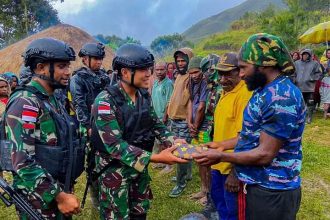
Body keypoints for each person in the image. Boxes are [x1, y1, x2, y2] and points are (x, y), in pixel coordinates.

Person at [194, 33, 304, 220]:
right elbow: (250, 135)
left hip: (272, 191)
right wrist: (221, 145)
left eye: (244, 68)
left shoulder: (281, 97)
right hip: (257, 185)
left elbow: (265, 154)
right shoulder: (264, 90)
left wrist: (221, 156)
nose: (241, 74)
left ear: (264, 65)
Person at [91, 43, 187, 220]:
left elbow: (155, 123)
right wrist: (157, 157)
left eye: (148, 68)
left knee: (139, 214)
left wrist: (173, 140)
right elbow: (114, 146)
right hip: (115, 174)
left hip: (138, 170)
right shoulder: (105, 101)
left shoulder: (143, 95)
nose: (148, 74)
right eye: (142, 69)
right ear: (125, 72)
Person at [2, 38, 84, 219]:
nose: (68, 72)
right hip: (38, 199)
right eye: (62, 66)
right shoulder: (26, 102)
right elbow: (21, 160)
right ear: (40, 68)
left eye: (68, 66)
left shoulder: (51, 98)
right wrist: (59, 196)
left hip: (58, 188)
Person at [208, 52, 252, 220]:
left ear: (239, 71)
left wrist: (235, 172)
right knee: (221, 207)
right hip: (218, 164)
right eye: (220, 73)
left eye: (228, 73)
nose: (223, 78)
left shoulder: (244, 95)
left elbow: (246, 138)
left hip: (231, 169)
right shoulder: (226, 91)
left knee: (233, 212)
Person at [165, 47, 194, 198]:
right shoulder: (178, 76)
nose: (180, 63)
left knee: (181, 152)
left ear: (189, 61)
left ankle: (180, 183)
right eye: (178, 61)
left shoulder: (191, 77)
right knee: (184, 151)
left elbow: (187, 100)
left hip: (183, 121)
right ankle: (187, 175)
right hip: (174, 120)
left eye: (183, 61)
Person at [70, 42, 110, 136]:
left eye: (101, 59)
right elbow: (79, 104)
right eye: (96, 58)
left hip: (105, 120)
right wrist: (88, 126)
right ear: (85, 59)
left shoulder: (103, 75)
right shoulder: (77, 78)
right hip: (87, 123)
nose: (99, 62)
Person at [186, 56, 210, 205]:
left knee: (207, 161)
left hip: (205, 128)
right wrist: (189, 122)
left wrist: (195, 126)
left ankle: (209, 194)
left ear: (201, 71)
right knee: (199, 159)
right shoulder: (191, 83)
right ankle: (203, 189)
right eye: (191, 72)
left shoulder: (206, 83)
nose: (194, 75)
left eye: (196, 72)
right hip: (195, 126)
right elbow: (190, 102)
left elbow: (201, 107)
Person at [151, 61, 174, 171]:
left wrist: (165, 116)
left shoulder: (168, 83)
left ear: (166, 70)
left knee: (166, 140)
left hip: (164, 117)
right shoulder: (155, 83)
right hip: (155, 116)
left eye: (162, 69)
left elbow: (169, 102)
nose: (159, 72)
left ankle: (169, 165)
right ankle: (161, 160)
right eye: (157, 70)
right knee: (157, 140)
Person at [294, 48, 322, 123]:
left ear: (309, 55)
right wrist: (294, 79)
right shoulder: (296, 63)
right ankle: (299, 117)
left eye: (306, 54)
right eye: (303, 54)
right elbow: (293, 73)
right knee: (299, 103)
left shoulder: (315, 63)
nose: (304, 56)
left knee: (310, 103)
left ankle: (309, 117)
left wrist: (312, 78)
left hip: (309, 87)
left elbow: (319, 73)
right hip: (298, 87)